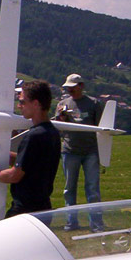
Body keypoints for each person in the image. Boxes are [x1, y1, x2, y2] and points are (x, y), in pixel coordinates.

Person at [0, 79, 61, 217]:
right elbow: (28, 162)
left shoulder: (33, 136)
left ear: (36, 104)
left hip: (25, 209)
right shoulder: (52, 133)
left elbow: (15, 175)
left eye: (23, 102)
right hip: (43, 207)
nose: (19, 106)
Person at [54, 73, 103, 231]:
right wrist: (61, 116)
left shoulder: (94, 103)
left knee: (93, 188)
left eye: (73, 88)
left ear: (81, 86)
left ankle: (96, 224)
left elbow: (100, 127)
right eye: (68, 89)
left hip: (90, 150)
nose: (70, 91)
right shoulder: (63, 103)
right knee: (69, 189)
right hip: (70, 150)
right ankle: (71, 222)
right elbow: (57, 125)